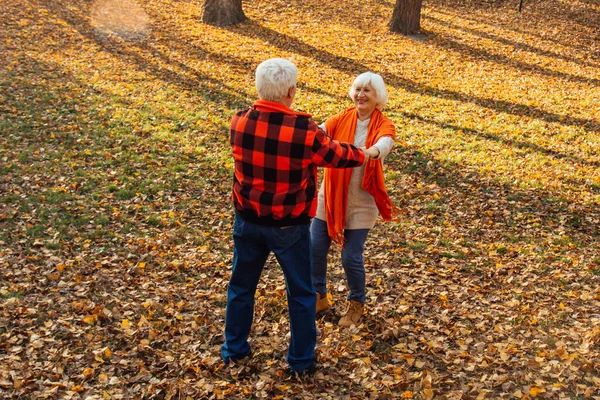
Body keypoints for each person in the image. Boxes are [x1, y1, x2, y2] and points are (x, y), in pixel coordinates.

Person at [221, 58, 379, 376]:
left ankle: (234, 351)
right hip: (288, 226)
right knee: (302, 293)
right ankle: (301, 361)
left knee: (241, 287)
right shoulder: (302, 131)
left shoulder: (238, 121)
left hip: (248, 220)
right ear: (291, 91)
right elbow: (336, 155)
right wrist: (367, 152)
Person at [312, 72, 397, 328]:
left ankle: (356, 303)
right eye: (358, 89)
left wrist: (373, 152)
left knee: (350, 256)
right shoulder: (341, 118)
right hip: (330, 197)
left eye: (367, 91)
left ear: (377, 97)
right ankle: (319, 296)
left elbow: (386, 141)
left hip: (362, 201)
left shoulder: (383, 123)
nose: (361, 95)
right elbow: (317, 133)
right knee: (314, 248)